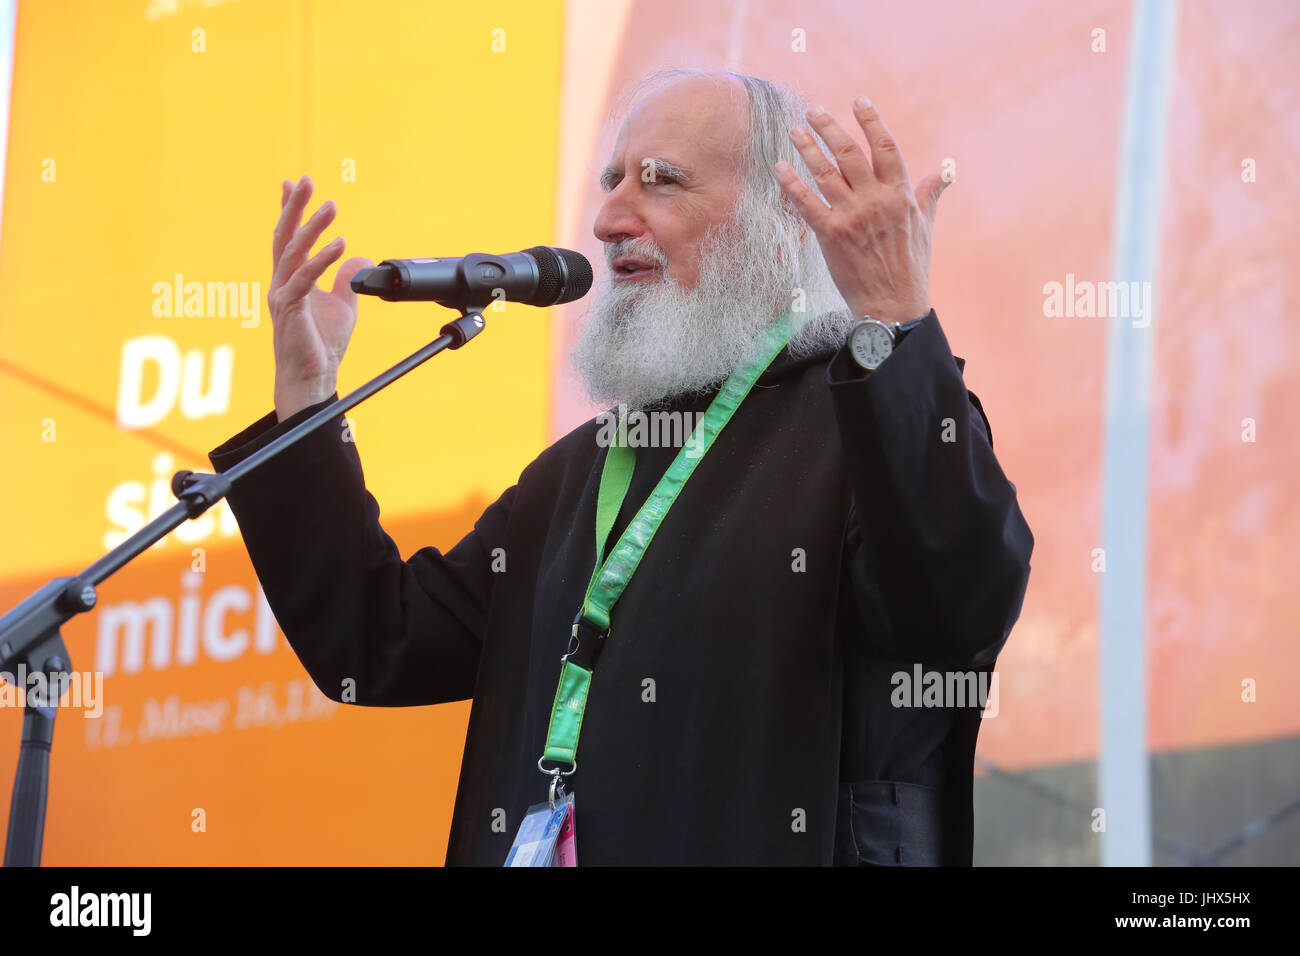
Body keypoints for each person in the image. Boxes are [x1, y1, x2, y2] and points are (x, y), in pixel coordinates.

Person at [208, 69, 1033, 865]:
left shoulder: (866, 422)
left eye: (661, 181)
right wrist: (309, 400)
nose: (607, 219)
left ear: (782, 221)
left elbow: (956, 606)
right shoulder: (574, 475)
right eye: (610, 181)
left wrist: (892, 323)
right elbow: (373, 646)